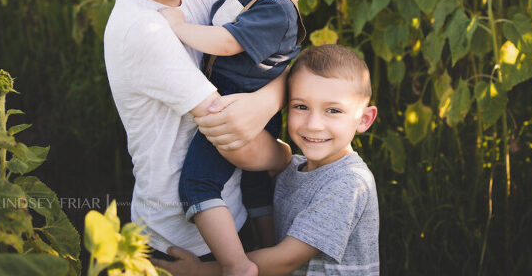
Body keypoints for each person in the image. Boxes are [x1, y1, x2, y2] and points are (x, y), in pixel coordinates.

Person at [104, 0, 290, 273]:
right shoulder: (143, 29)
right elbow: (233, 133)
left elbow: (274, 45)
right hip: (181, 240)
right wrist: (284, 158)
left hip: (228, 211)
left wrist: (264, 101)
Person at [161, 0, 334, 275]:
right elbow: (232, 12)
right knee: (255, 188)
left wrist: (180, 28)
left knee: (198, 184)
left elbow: (227, 41)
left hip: (238, 111)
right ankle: (267, 245)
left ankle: (237, 265)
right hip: (252, 107)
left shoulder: (277, 9)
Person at [155, 44, 380, 276]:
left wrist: (199, 272)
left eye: (333, 111)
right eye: (301, 106)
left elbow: (285, 260)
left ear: (364, 119)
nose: (313, 124)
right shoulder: (294, 168)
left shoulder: (349, 183)